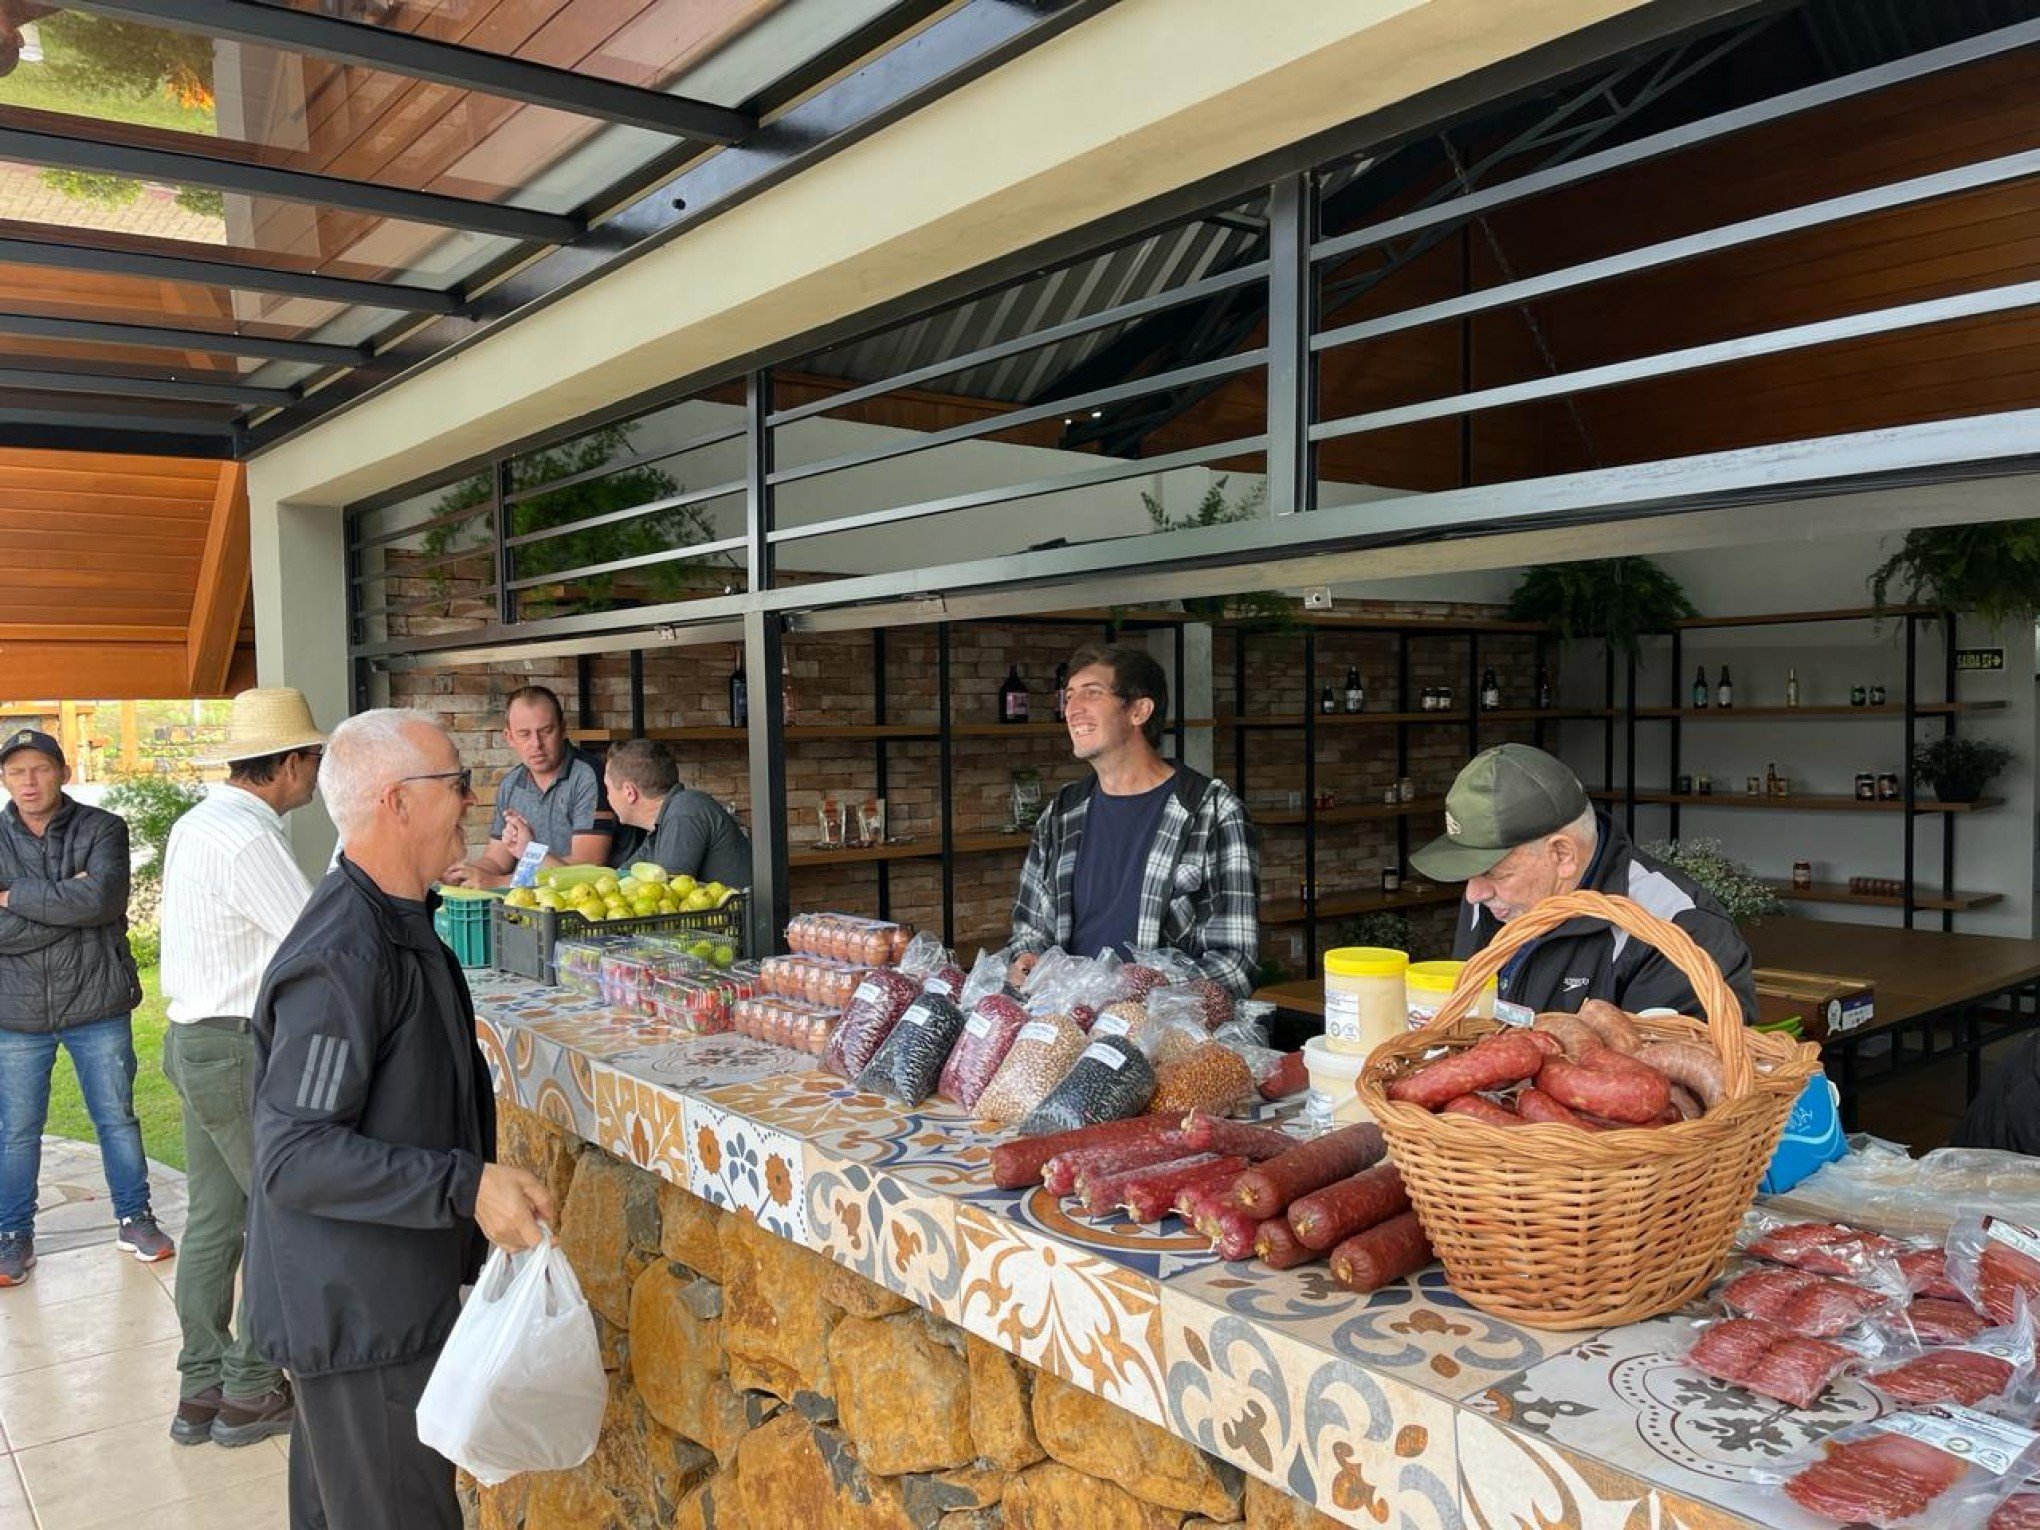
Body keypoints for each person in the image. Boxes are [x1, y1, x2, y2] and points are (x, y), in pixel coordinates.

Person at [243, 709, 553, 1530]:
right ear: (396, 803)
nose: (470, 801)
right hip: (357, 1322)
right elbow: (296, 1153)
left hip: (385, 1305)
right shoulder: (344, 953)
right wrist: (466, 1184)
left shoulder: (402, 922)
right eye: (456, 783)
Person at [158, 689, 326, 1448]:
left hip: (193, 1038)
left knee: (216, 1220)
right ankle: (254, 1388)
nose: (317, 774)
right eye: (313, 759)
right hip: (235, 1047)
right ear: (288, 764)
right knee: (281, 1215)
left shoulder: (203, 821)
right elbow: (313, 940)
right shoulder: (251, 839)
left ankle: (203, 1386)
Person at [1410, 743, 1759, 1023]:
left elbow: (1677, 1095)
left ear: (1562, 855)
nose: (1474, 893)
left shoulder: (1680, 926)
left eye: (1494, 872)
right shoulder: (1491, 900)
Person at [0, 727, 171, 1287]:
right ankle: (12, 1234)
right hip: (15, 1013)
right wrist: (67, 905)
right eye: (15, 771)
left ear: (63, 772)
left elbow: (102, 899)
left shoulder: (103, 827)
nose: (28, 781)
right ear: (4, 778)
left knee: (116, 1119)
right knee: (16, 1130)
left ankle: (134, 1217)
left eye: (40, 769)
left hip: (97, 1002)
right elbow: (82, 906)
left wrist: (14, 899)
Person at [1005, 642, 1260, 997]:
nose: (1072, 709)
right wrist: (1027, 961)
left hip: (1163, 1041)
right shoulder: (1061, 814)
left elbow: (1234, 966)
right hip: (1069, 1034)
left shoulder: (1212, 812)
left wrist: (1134, 992)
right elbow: (1029, 931)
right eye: (1070, 696)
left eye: (1092, 693)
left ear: (1139, 710)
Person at [443, 685, 613, 887]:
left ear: (563, 729)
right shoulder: (511, 784)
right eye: (524, 734)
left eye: (546, 731)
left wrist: (498, 882)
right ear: (509, 737)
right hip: (533, 905)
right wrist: (465, 875)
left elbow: (585, 872)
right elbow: (497, 860)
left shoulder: (588, 776)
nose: (537, 744)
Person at [603, 738, 751, 886]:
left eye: (607, 788)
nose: (607, 796)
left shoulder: (685, 812)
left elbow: (666, 895)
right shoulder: (661, 826)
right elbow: (619, 878)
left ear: (630, 792)